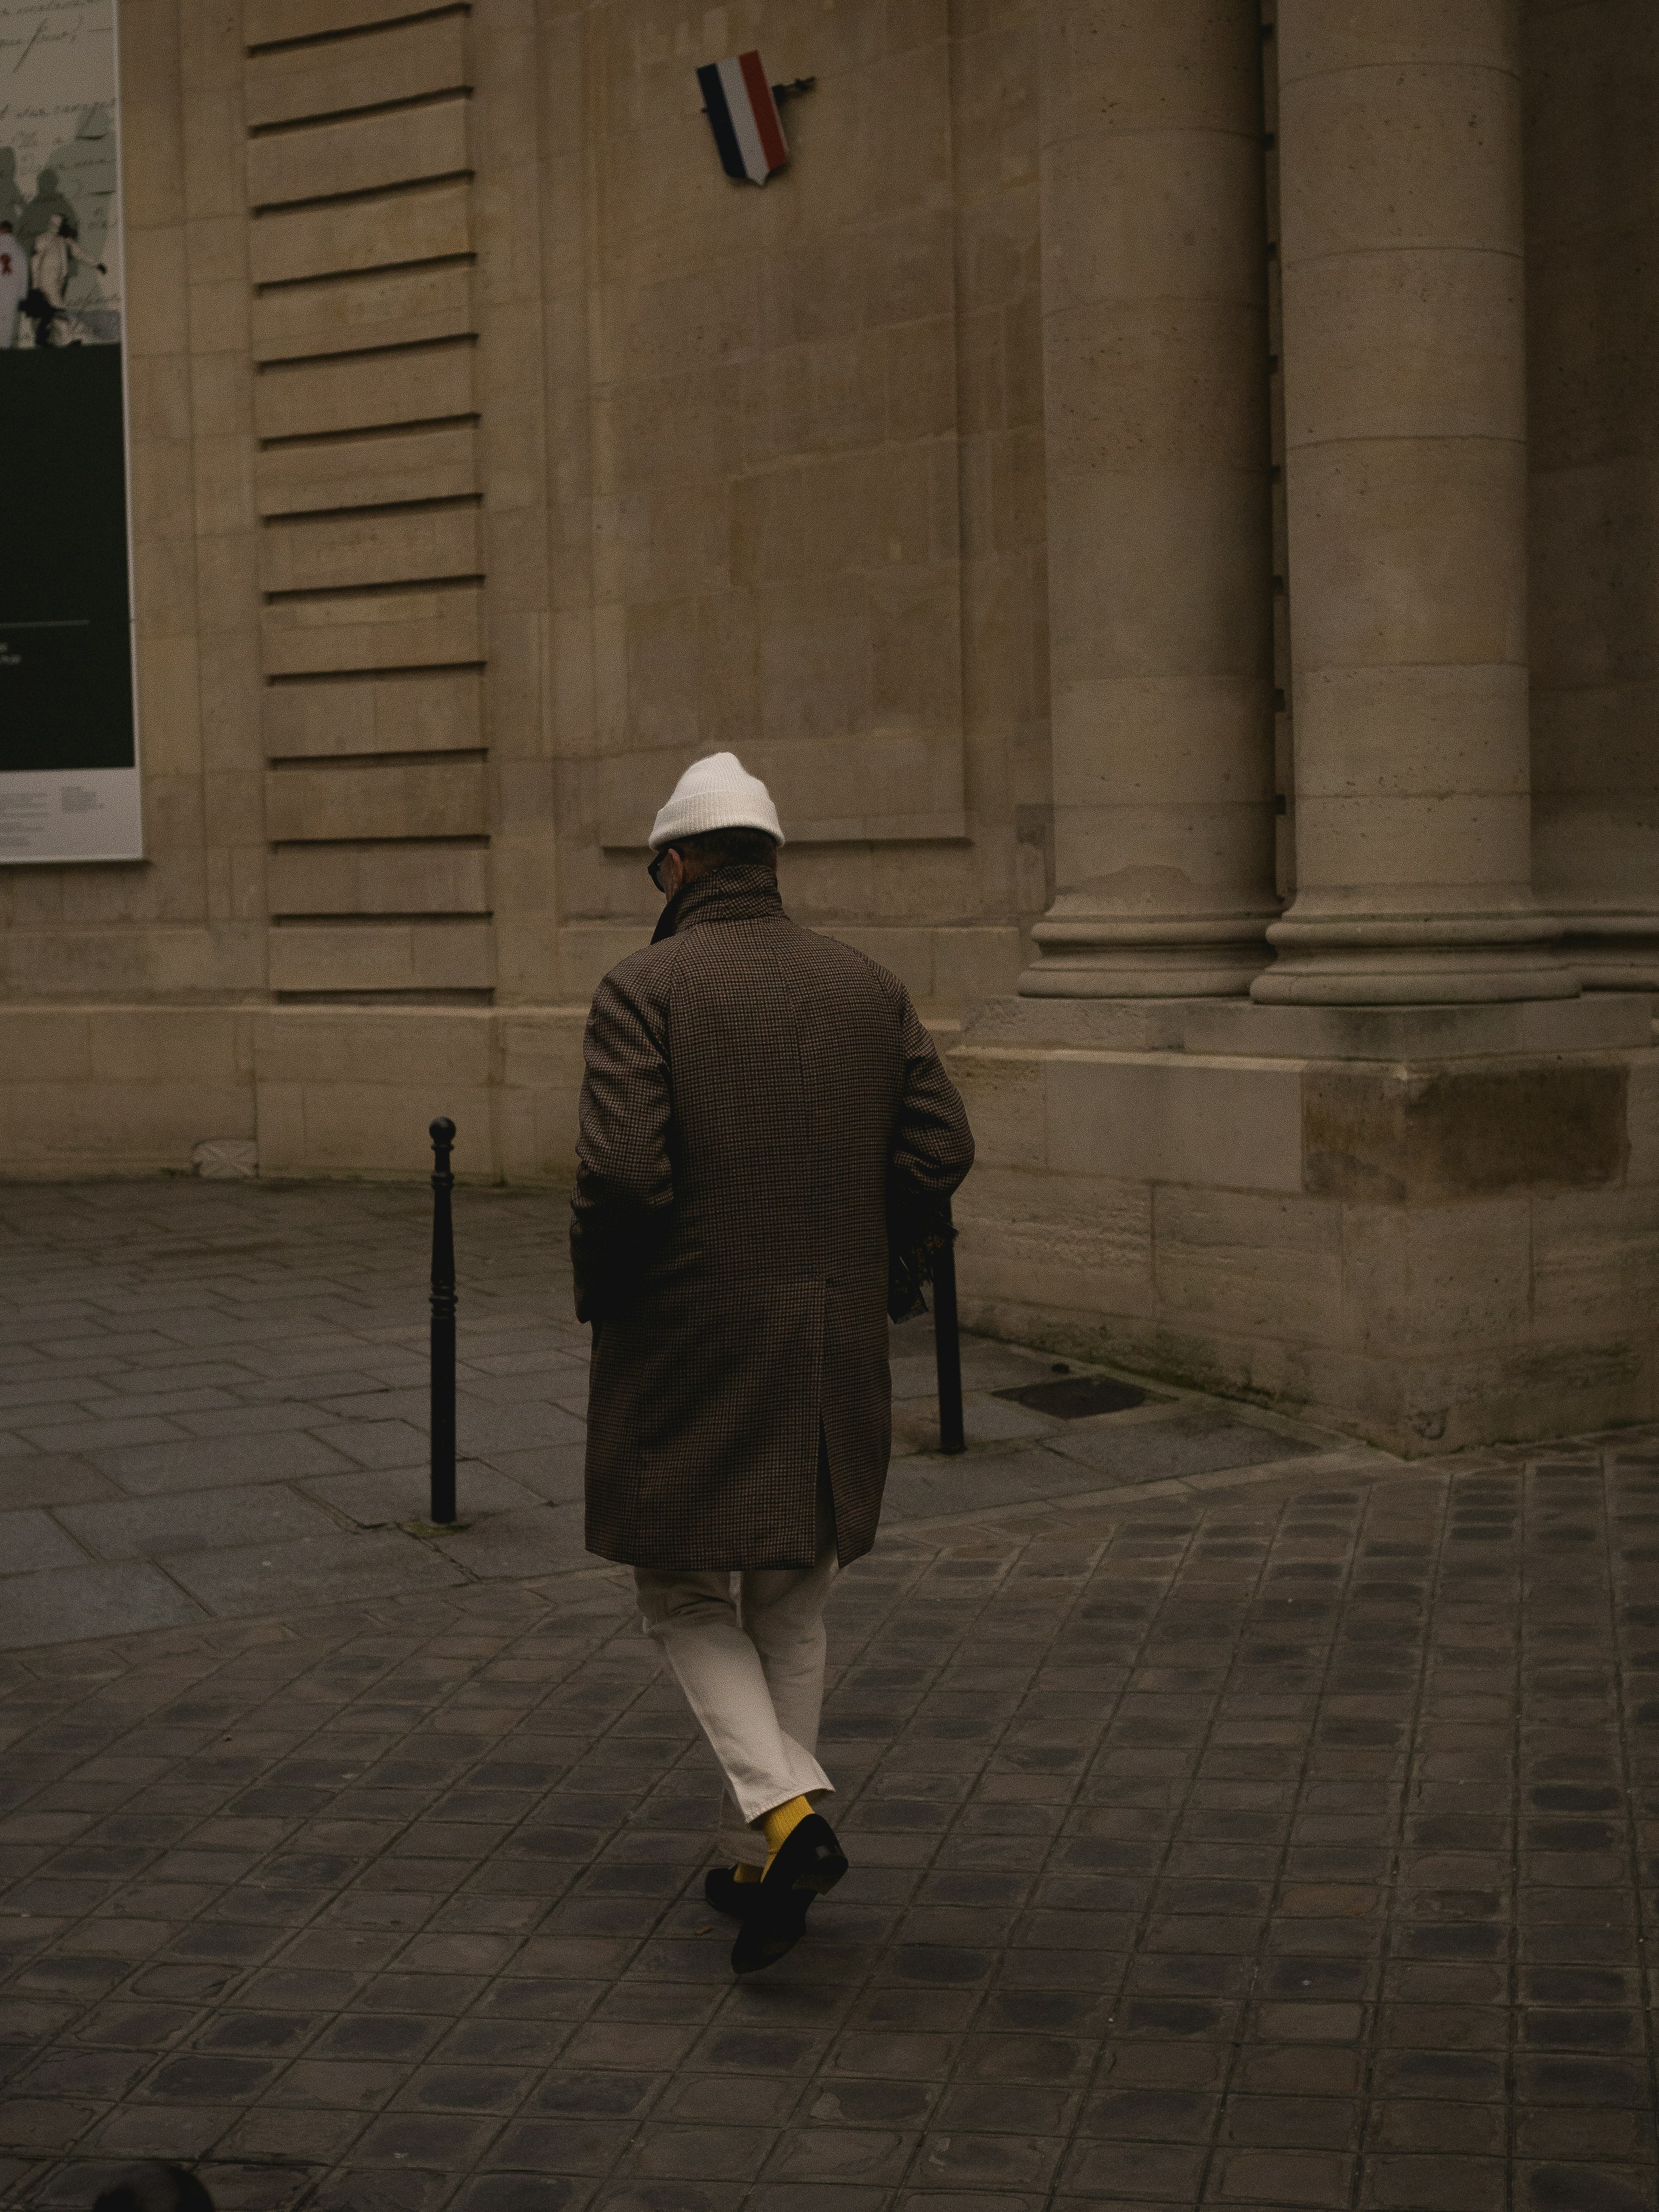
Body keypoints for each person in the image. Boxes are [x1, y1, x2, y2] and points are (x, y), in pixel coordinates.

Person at [572, 752, 974, 1975]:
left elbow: (622, 1176)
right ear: (769, 859)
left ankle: (787, 1819)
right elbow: (941, 1147)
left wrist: (610, 1289)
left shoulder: (645, 986)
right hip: (831, 1336)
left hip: (692, 1336)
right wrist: (872, 1259)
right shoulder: (865, 984)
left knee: (679, 1588)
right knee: (793, 1593)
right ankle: (761, 1868)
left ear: (677, 864)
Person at [0, 221, 24, 348]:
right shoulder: (18, 250)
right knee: (8, 321)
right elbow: (23, 273)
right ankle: (5, 346)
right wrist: (22, 294)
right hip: (12, 291)